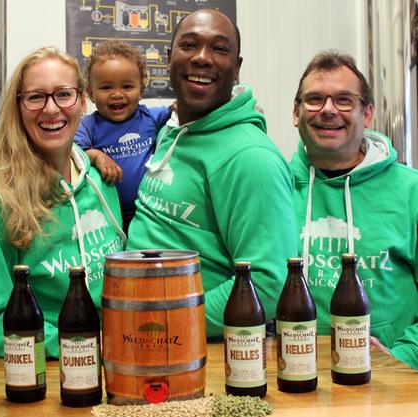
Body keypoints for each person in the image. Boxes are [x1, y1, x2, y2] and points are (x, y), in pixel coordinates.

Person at [127, 8, 296, 337]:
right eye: (189, 45)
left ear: (237, 68)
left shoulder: (252, 158)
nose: (202, 58)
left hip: (198, 347)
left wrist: (164, 323)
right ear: (169, 58)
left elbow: (269, 284)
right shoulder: (174, 130)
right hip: (145, 334)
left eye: (219, 49)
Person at [0, 47, 125, 359]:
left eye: (64, 94)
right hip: (47, 365)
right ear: (18, 107)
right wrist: (83, 346)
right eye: (35, 97)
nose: (51, 109)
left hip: (116, 356)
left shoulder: (102, 180)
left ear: (83, 101)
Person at [291, 51, 418, 369]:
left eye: (344, 101)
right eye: (314, 99)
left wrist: (400, 357)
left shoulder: (411, 191)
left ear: (368, 113)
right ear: (296, 113)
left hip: (391, 380)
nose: (328, 110)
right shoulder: (275, 188)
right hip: (292, 372)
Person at [75, 41, 172, 232]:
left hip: (148, 210)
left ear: (141, 91)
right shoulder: (88, 126)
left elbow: (176, 111)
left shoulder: (150, 117)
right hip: (107, 212)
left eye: (127, 86)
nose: (117, 94)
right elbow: (75, 152)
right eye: (106, 88)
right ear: (90, 94)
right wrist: (97, 156)